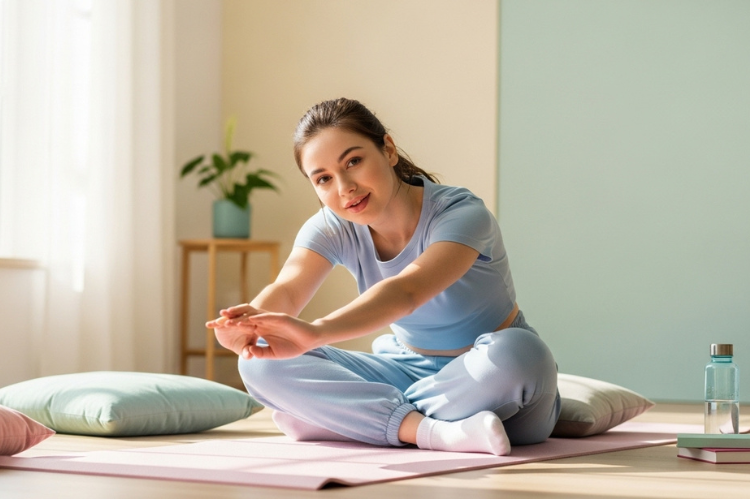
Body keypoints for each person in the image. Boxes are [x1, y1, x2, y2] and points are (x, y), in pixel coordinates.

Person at [207, 98, 560, 456]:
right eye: (324, 179)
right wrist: (250, 324)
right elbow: (287, 287)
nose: (344, 187)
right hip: (404, 369)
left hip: (484, 375)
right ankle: (425, 430)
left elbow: (407, 291)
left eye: (354, 162)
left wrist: (316, 334)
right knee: (259, 365)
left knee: (521, 353)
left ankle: (357, 420)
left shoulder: (461, 213)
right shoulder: (332, 227)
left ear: (388, 149)